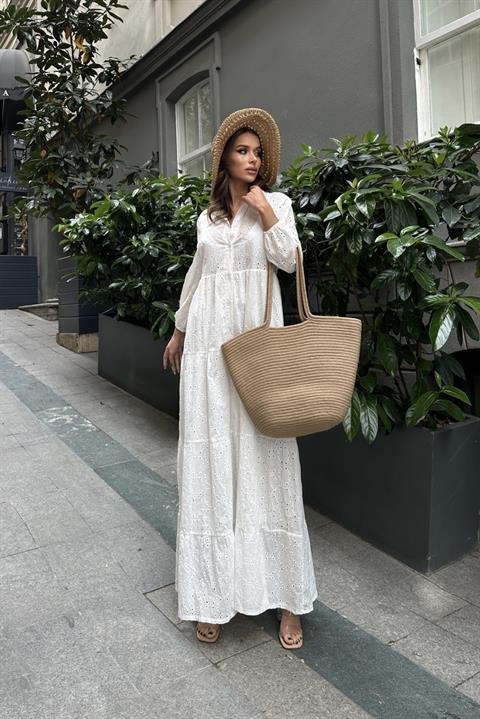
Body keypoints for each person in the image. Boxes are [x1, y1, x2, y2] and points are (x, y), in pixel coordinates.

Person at [163, 107, 318, 649]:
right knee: (212, 459)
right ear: (224, 159)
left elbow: (290, 259)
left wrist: (265, 211)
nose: (252, 160)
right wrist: (179, 330)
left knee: (265, 455)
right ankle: (210, 594)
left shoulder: (276, 203)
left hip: (256, 342)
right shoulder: (206, 220)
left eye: (258, 153)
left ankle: (288, 598)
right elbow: (197, 275)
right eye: (243, 151)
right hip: (209, 346)